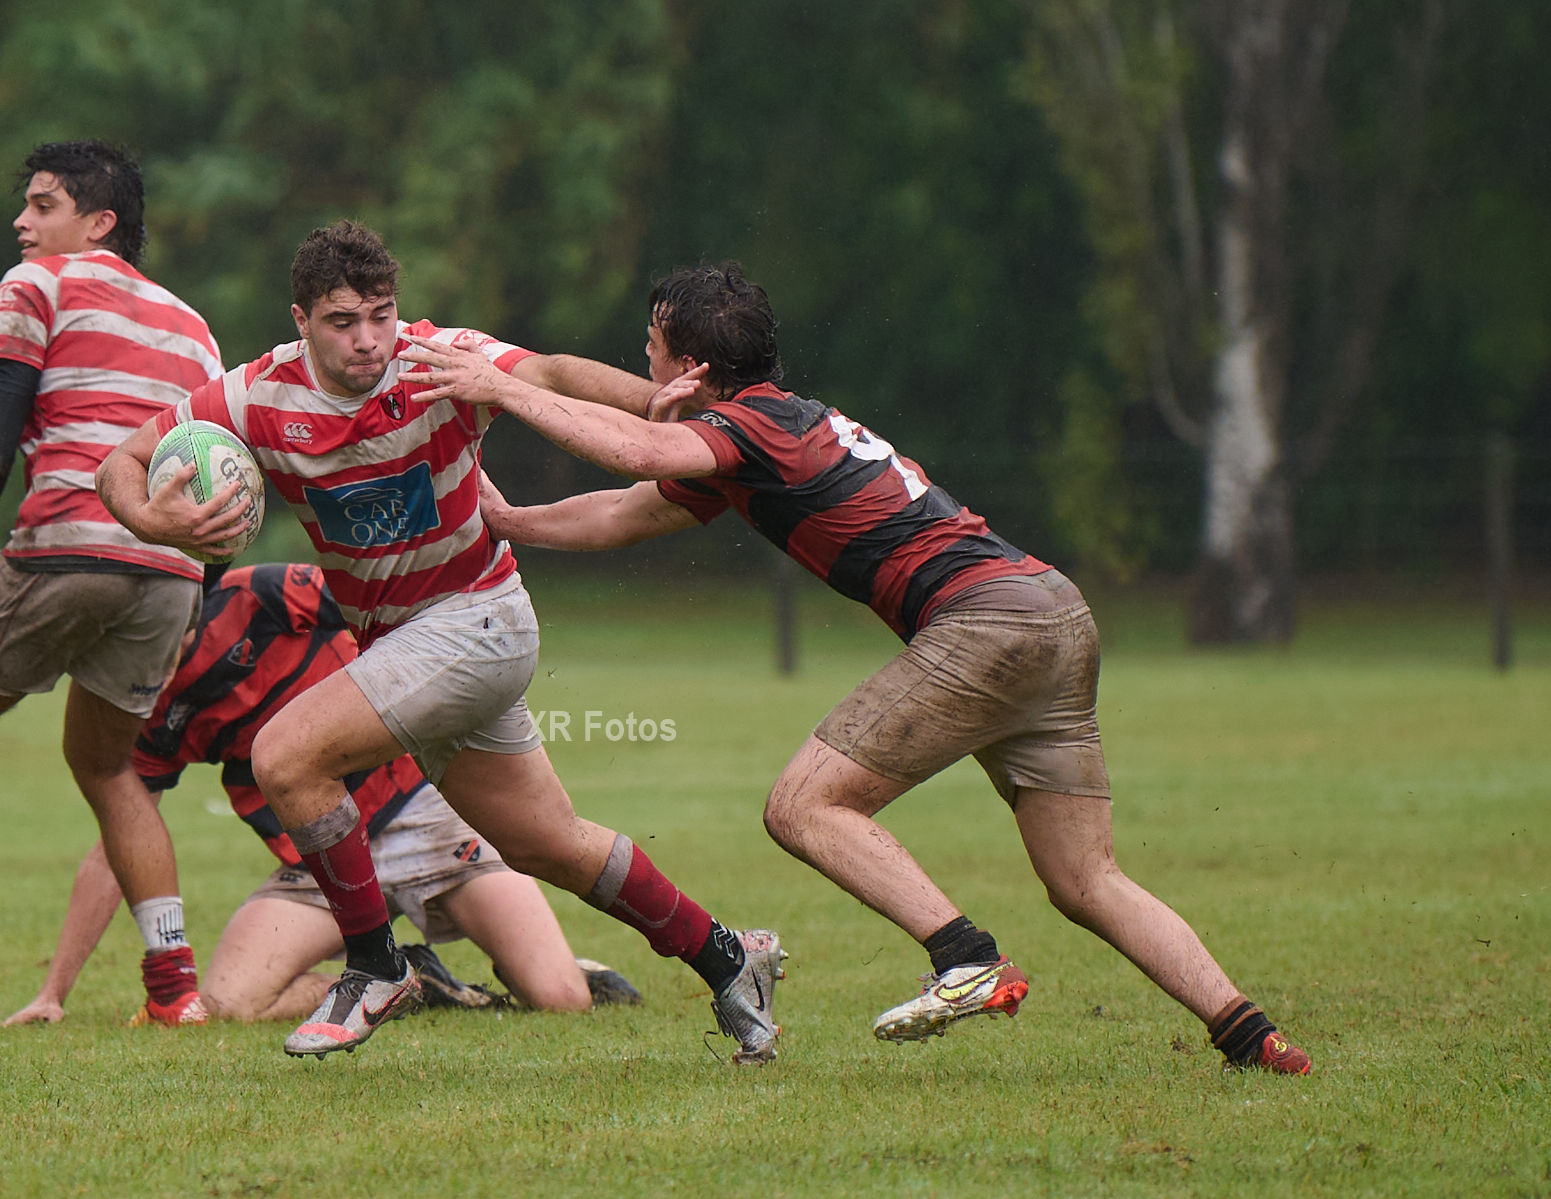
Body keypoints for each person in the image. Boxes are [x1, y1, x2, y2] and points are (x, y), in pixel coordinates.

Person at [397, 261, 1312, 1075]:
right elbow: (626, 511)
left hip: (985, 621)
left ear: (693, 371)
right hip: (1052, 612)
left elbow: (637, 446)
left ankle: (964, 956)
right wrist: (514, 524)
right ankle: (1250, 1034)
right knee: (1084, 878)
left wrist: (498, 387)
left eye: (650, 348)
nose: (644, 364)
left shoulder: (747, 429)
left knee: (803, 805)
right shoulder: (772, 429)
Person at [94, 222, 785, 1063]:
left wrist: (655, 406)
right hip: (408, 647)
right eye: (344, 321)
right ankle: (730, 958)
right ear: (301, 320)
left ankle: (375, 966)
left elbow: (555, 372)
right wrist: (155, 517)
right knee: (548, 842)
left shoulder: (437, 359)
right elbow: (119, 463)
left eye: (381, 315)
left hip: (478, 619)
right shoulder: (255, 396)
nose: (368, 339)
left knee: (284, 756)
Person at [0, 141, 225, 1030]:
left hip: (73, 543)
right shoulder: (194, 327)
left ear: (97, 221)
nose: (22, 223)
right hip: (172, 573)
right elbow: (225, 473)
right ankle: (174, 988)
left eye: (42, 205)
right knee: (110, 764)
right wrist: (197, 579)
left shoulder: (35, 285)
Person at [1, 561, 643, 1028]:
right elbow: (120, 840)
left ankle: (555, 964)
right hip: (323, 859)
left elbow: (398, 616)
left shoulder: (261, 596)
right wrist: (53, 991)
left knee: (560, 998)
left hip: (428, 816)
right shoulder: (145, 709)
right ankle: (420, 984)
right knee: (228, 1003)